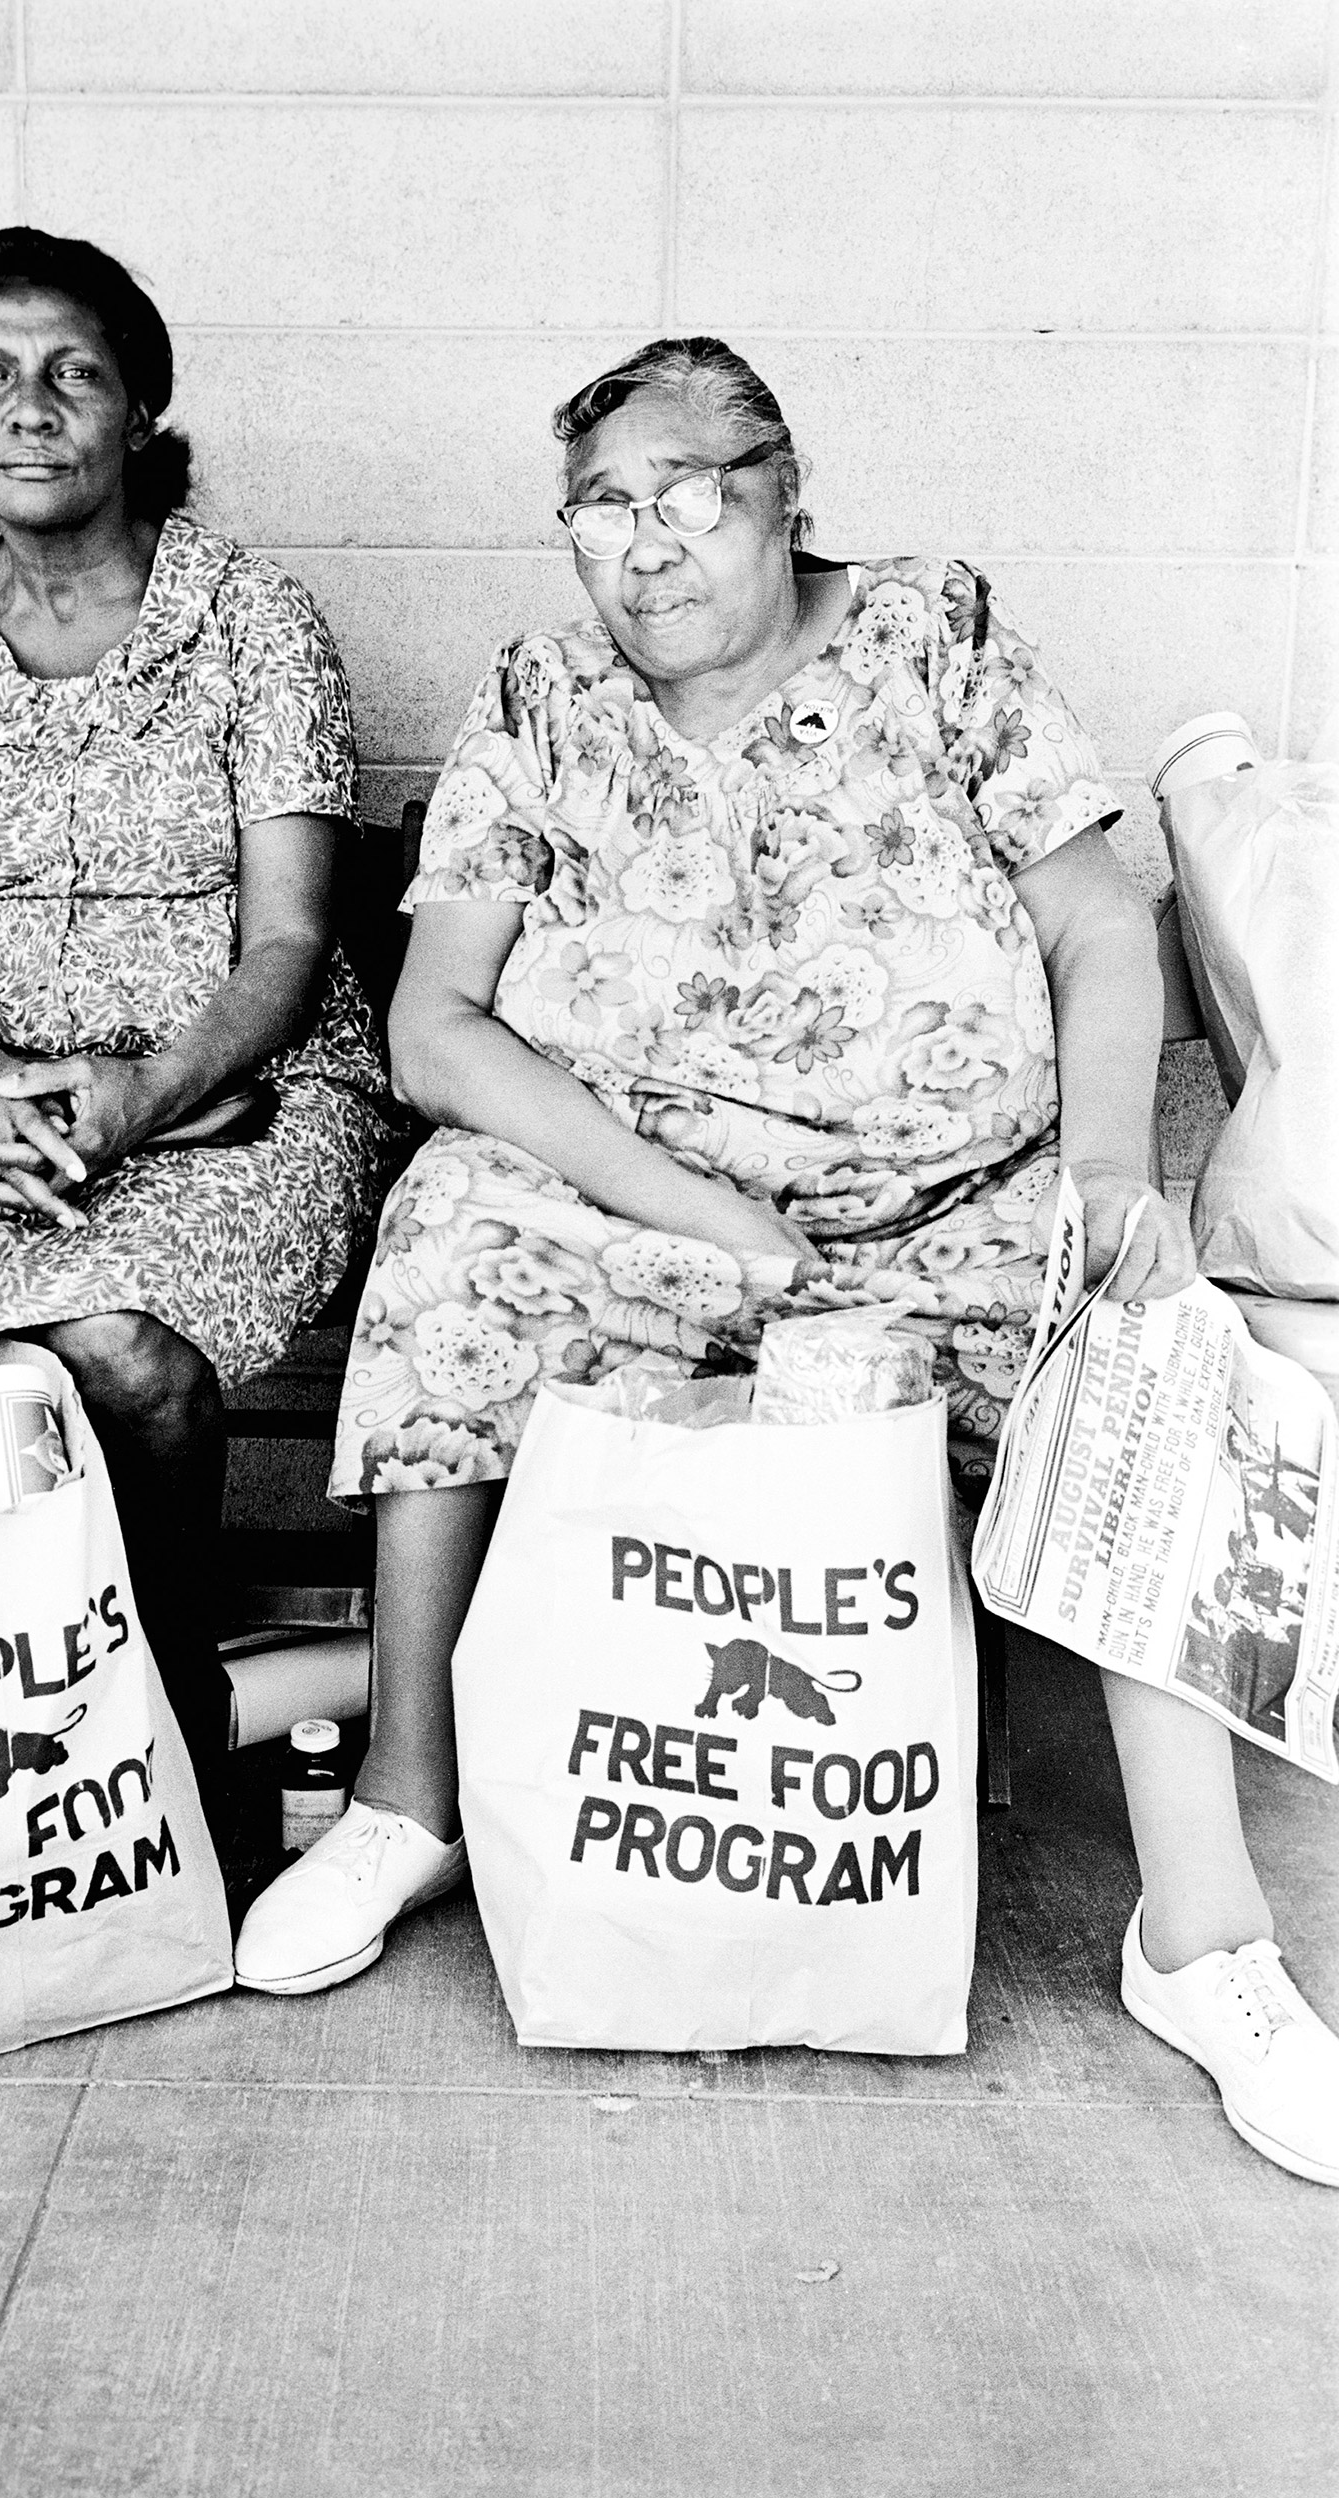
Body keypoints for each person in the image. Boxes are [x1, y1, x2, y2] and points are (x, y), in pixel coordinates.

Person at [234, 336, 1339, 2187]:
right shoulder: (547, 696)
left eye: (689, 495)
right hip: (655, 1212)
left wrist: (1098, 1180)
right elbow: (438, 1032)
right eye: (601, 508)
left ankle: (1204, 1946)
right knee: (450, 1243)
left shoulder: (934, 640)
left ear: (783, 486)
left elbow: (1098, 919)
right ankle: (404, 1795)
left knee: (1146, 1356)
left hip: (952, 1207)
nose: (645, 546)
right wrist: (690, 1204)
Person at [0, 227, 395, 1774]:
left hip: (233, 1102)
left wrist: (136, 1090)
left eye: (76, 373)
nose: (32, 407)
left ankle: (159, 1748)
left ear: (140, 413)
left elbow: (287, 943)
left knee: (121, 1351)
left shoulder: (254, 623)